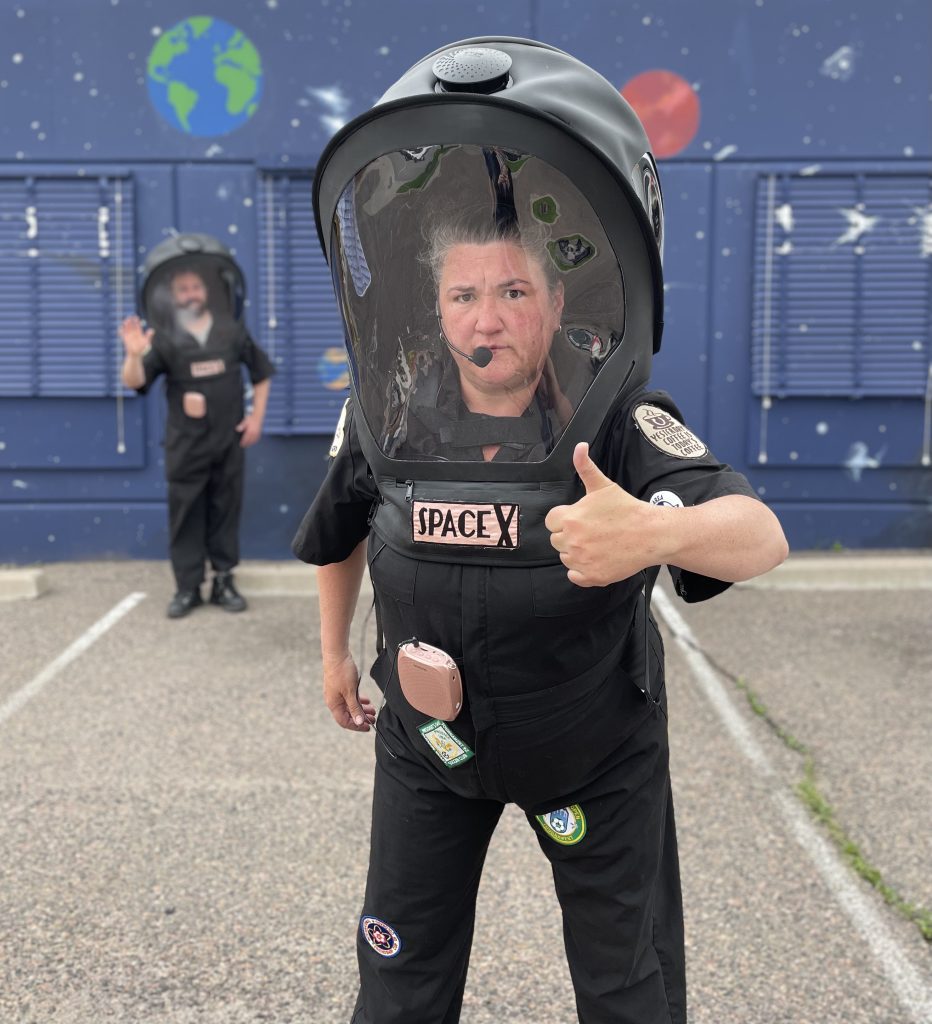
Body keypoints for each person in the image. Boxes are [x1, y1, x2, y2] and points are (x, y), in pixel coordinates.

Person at [294, 38, 789, 1024]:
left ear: (557, 299)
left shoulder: (613, 416)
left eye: (513, 291)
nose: (489, 320)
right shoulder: (394, 416)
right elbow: (339, 524)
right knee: (395, 987)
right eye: (464, 295)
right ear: (433, 309)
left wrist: (650, 536)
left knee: (627, 992)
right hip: (426, 748)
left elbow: (756, 533)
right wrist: (333, 653)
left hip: (592, 753)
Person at [121, 234, 275, 619]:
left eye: (194, 286)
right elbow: (135, 382)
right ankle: (187, 587)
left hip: (228, 439)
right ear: (171, 295)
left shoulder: (231, 330)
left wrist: (255, 418)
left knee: (226, 507)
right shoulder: (166, 339)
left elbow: (261, 373)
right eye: (181, 288)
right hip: (185, 444)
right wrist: (133, 356)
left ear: (206, 289)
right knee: (186, 512)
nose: (189, 294)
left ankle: (224, 580)